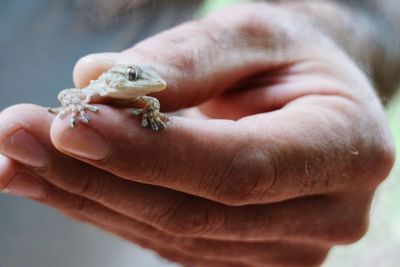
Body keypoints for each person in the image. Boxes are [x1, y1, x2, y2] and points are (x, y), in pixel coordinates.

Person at [0, 1, 399, 266]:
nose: (150, 88)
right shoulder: (98, 88)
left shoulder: (133, 90)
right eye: (139, 79)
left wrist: (331, 40)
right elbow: (74, 94)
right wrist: (77, 106)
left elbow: (376, 11)